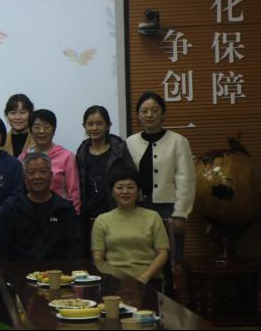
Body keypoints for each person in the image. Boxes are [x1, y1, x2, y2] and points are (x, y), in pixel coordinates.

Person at [126, 92, 195, 263]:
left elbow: (186, 180)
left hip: (168, 208)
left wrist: (180, 213)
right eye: (144, 111)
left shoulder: (178, 141)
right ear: (138, 116)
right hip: (139, 207)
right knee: (142, 257)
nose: (149, 115)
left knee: (170, 258)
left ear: (163, 114)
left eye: (154, 110)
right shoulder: (130, 142)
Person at [0, 152, 82, 261]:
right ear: (25, 177)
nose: (37, 177)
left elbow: (75, 248)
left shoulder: (64, 209)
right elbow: (1, 249)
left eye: (43, 172)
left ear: (51, 176)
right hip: (20, 269)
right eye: (31, 173)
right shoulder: (11, 209)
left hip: (57, 269)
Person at [91, 167, 170, 286]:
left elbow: (163, 253)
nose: (125, 191)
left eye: (130, 187)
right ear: (112, 192)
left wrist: (144, 277)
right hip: (114, 282)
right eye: (119, 187)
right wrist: (120, 278)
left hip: (149, 281)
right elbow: (98, 258)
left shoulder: (153, 217)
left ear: (138, 191)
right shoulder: (102, 220)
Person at [75, 105, 136, 253]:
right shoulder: (82, 152)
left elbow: (132, 178)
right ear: (84, 126)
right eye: (90, 124)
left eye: (99, 123)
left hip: (116, 212)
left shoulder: (119, 150)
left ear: (108, 125)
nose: (94, 128)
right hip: (88, 215)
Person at [18, 109, 81, 215]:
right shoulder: (23, 157)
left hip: (59, 213)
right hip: (29, 214)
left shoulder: (67, 156)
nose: (42, 131)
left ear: (54, 130)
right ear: (30, 130)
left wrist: (74, 216)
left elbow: (74, 192)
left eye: (47, 127)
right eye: (37, 127)